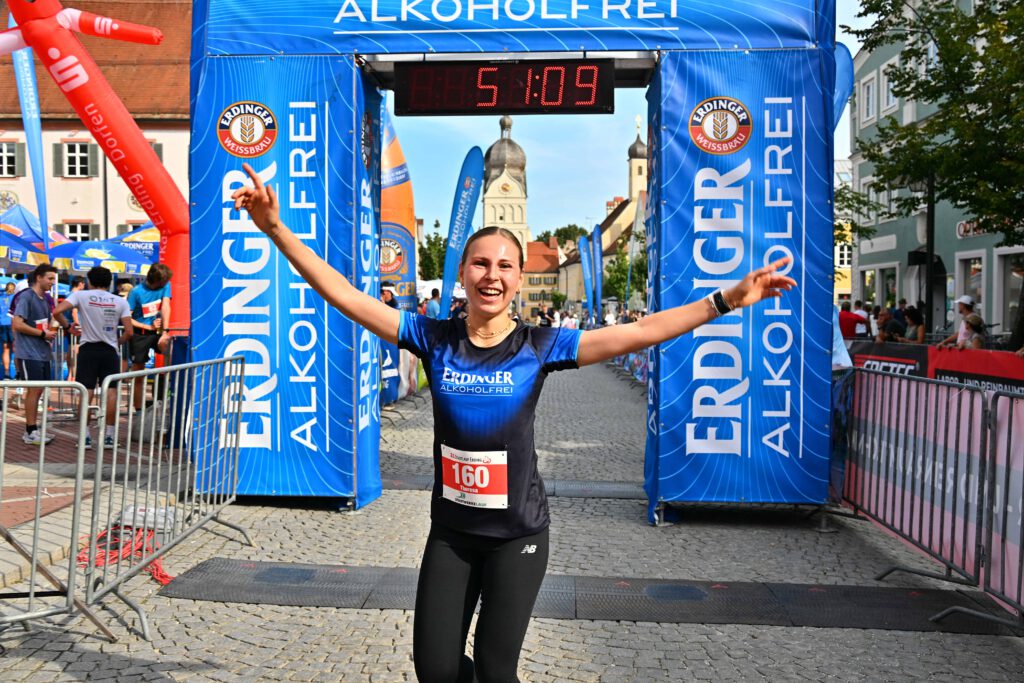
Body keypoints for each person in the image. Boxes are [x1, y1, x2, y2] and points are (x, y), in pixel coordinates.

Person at [231, 162, 796, 683]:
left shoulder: (540, 346)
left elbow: (640, 332)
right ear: (463, 273)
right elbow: (345, 296)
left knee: (497, 672)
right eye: (480, 263)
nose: (491, 275)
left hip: (517, 537)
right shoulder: (434, 338)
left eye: (505, 266)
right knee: (436, 670)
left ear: (520, 279)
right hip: (451, 535)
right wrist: (276, 230)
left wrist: (722, 301)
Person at [52, 267, 133, 449]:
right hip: (110, 351)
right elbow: (129, 331)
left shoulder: (81, 296)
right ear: (109, 282)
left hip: (88, 349)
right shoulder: (120, 301)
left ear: (90, 281)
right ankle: (109, 437)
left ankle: (85, 437)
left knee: (86, 392)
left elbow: (57, 311)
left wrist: (67, 327)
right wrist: (116, 342)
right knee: (111, 392)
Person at [11, 264, 58, 444]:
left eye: (54, 279)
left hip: (42, 352)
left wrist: (52, 329)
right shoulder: (26, 297)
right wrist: (42, 334)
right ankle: (30, 431)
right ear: (39, 277)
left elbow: (45, 323)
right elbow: (17, 324)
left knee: (40, 391)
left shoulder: (45, 299)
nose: (52, 283)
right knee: (33, 390)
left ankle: (34, 429)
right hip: (29, 353)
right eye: (50, 278)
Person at [127, 263, 172, 411]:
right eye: (162, 283)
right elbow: (127, 317)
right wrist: (147, 327)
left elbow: (166, 306)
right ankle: (139, 409)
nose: (165, 285)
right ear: (155, 281)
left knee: (168, 359)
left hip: (158, 331)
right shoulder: (136, 292)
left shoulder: (166, 285)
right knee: (139, 372)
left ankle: (160, 401)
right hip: (140, 333)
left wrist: (164, 331)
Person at [0, 281, 14, 380]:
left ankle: (6, 373)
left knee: (6, 349)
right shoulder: (15, 298)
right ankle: (18, 373)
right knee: (16, 349)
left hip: (2, 323)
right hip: (13, 324)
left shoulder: (1, 297)